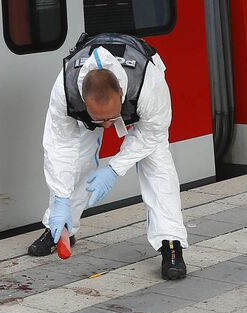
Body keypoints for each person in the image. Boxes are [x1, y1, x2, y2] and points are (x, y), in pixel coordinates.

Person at [27, 33, 188, 280]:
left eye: (112, 119)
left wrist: (114, 169)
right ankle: (59, 228)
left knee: (157, 163)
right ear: (83, 99)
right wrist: (60, 198)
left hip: (144, 103)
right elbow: (58, 146)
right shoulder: (65, 88)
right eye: (99, 119)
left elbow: (154, 132)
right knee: (77, 159)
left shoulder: (147, 81)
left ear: (122, 94)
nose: (107, 127)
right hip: (87, 110)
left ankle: (171, 244)